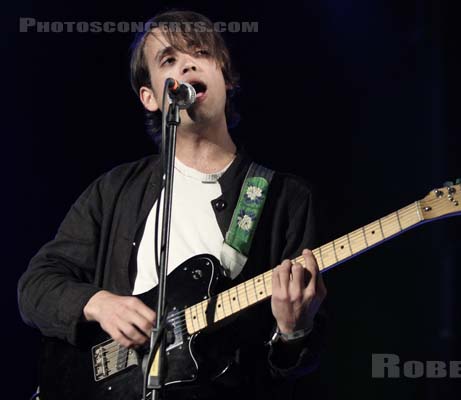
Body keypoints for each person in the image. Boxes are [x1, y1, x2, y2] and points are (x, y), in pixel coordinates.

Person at [17, 10, 327, 400]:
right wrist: (99, 304)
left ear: (226, 79)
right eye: (169, 59)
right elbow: (35, 287)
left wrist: (292, 332)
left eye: (201, 52)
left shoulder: (285, 198)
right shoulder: (115, 191)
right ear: (150, 97)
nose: (188, 63)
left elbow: (298, 362)